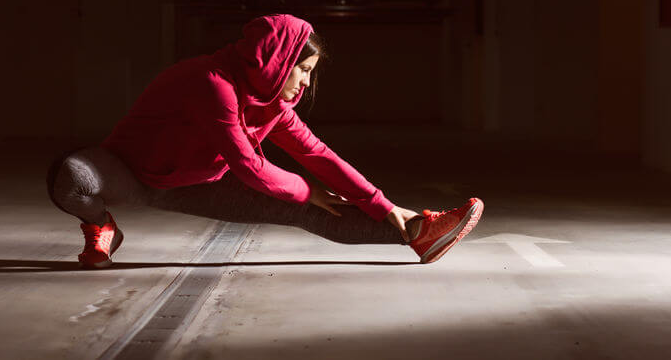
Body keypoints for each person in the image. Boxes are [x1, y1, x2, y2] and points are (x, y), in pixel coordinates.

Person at [46, 14, 483, 268]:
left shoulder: (269, 100)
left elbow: (316, 153)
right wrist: (307, 188)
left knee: (315, 212)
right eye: (304, 69)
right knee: (72, 178)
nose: (306, 83)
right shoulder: (212, 82)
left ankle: (418, 234)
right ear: (277, 60)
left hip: (199, 183)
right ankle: (101, 225)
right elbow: (248, 166)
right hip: (130, 172)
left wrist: (381, 204)